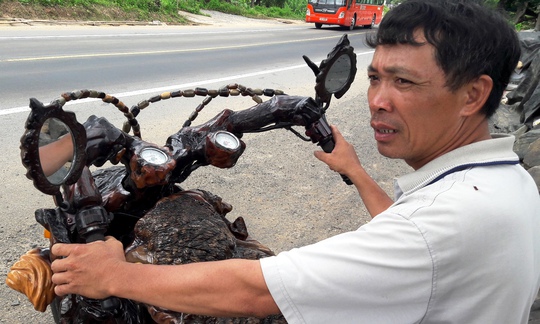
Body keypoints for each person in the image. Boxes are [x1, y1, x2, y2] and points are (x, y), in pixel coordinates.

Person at [50, 0, 540, 322]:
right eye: (374, 78)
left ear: (474, 93)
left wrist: (118, 276)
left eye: (404, 82)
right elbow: (420, 239)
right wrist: (355, 170)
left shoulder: (435, 229)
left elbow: (257, 291)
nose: (378, 100)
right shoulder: (507, 182)